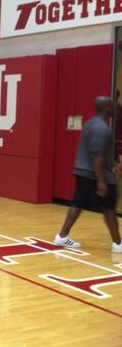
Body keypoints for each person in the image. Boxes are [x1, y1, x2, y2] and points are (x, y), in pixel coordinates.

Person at [54, 96, 122, 253]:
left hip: (81, 172)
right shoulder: (102, 128)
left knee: (77, 204)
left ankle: (62, 236)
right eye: (112, 105)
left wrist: (113, 163)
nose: (115, 108)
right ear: (105, 108)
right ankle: (118, 244)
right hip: (96, 175)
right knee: (109, 208)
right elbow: (96, 155)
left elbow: (98, 152)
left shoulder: (90, 123)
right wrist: (101, 181)